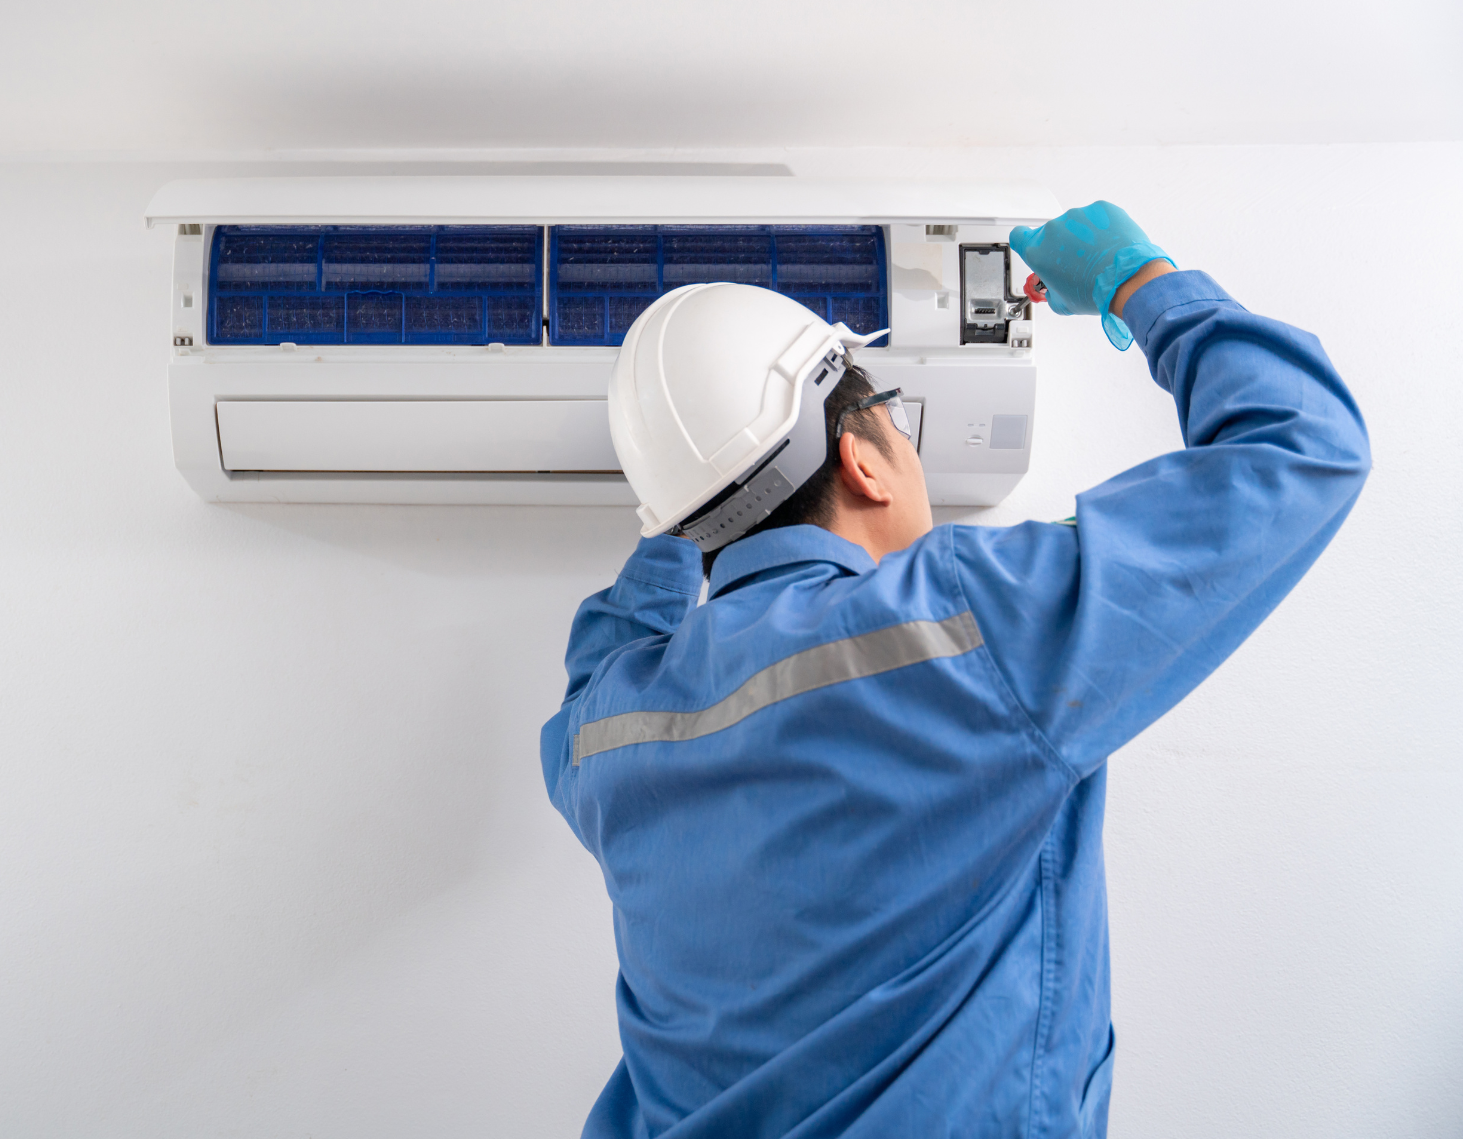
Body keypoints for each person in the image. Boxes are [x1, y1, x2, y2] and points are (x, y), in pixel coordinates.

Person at [540, 203, 1370, 1138]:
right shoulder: (968, 622)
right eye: (894, 423)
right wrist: (1137, 279)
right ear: (864, 461)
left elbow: (600, 657)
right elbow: (1302, 449)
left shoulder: (608, 733)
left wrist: (681, 506)